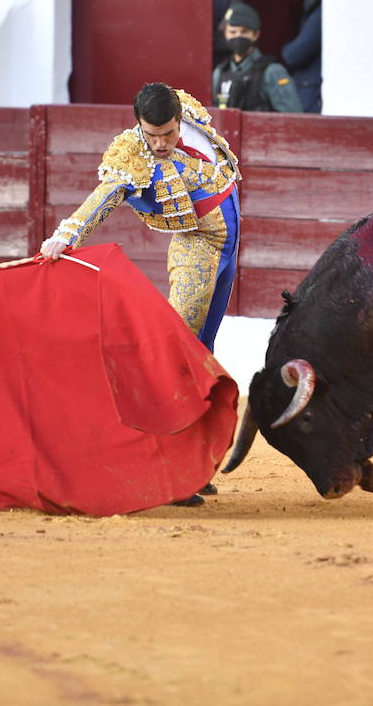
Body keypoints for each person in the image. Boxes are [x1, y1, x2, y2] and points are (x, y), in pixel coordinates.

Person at [40, 82, 241, 508]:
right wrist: (66, 235)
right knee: (177, 353)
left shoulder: (186, 109)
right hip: (197, 246)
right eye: (151, 135)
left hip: (229, 236)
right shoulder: (131, 157)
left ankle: (193, 466)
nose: (159, 143)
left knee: (202, 350)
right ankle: (165, 469)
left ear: (178, 121)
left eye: (167, 134)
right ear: (139, 125)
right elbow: (103, 198)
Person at [212, 3, 303, 113]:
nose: (238, 36)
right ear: (225, 34)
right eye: (233, 32)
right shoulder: (220, 72)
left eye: (244, 32)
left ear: (255, 34)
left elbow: (292, 117)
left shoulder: (272, 72)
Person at [281, 0, 321, 114]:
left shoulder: (321, 12)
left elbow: (294, 54)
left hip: (312, 93)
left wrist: (283, 50)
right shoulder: (309, 8)